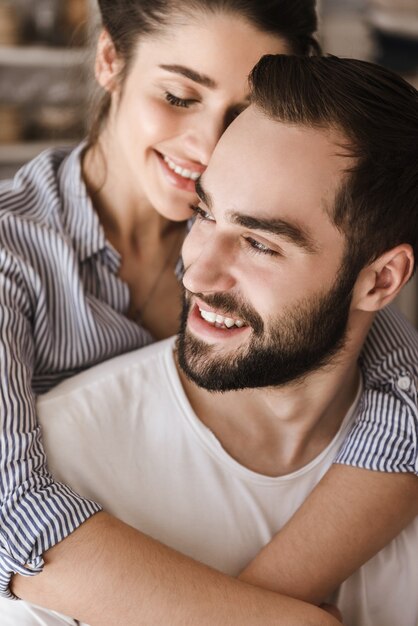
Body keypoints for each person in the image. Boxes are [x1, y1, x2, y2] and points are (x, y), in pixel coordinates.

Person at [1, 0, 416, 620]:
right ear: (110, 60)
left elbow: (398, 390)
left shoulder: (278, 240)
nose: (206, 144)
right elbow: (15, 517)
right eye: (177, 96)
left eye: (243, 112)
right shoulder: (16, 254)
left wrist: (272, 590)